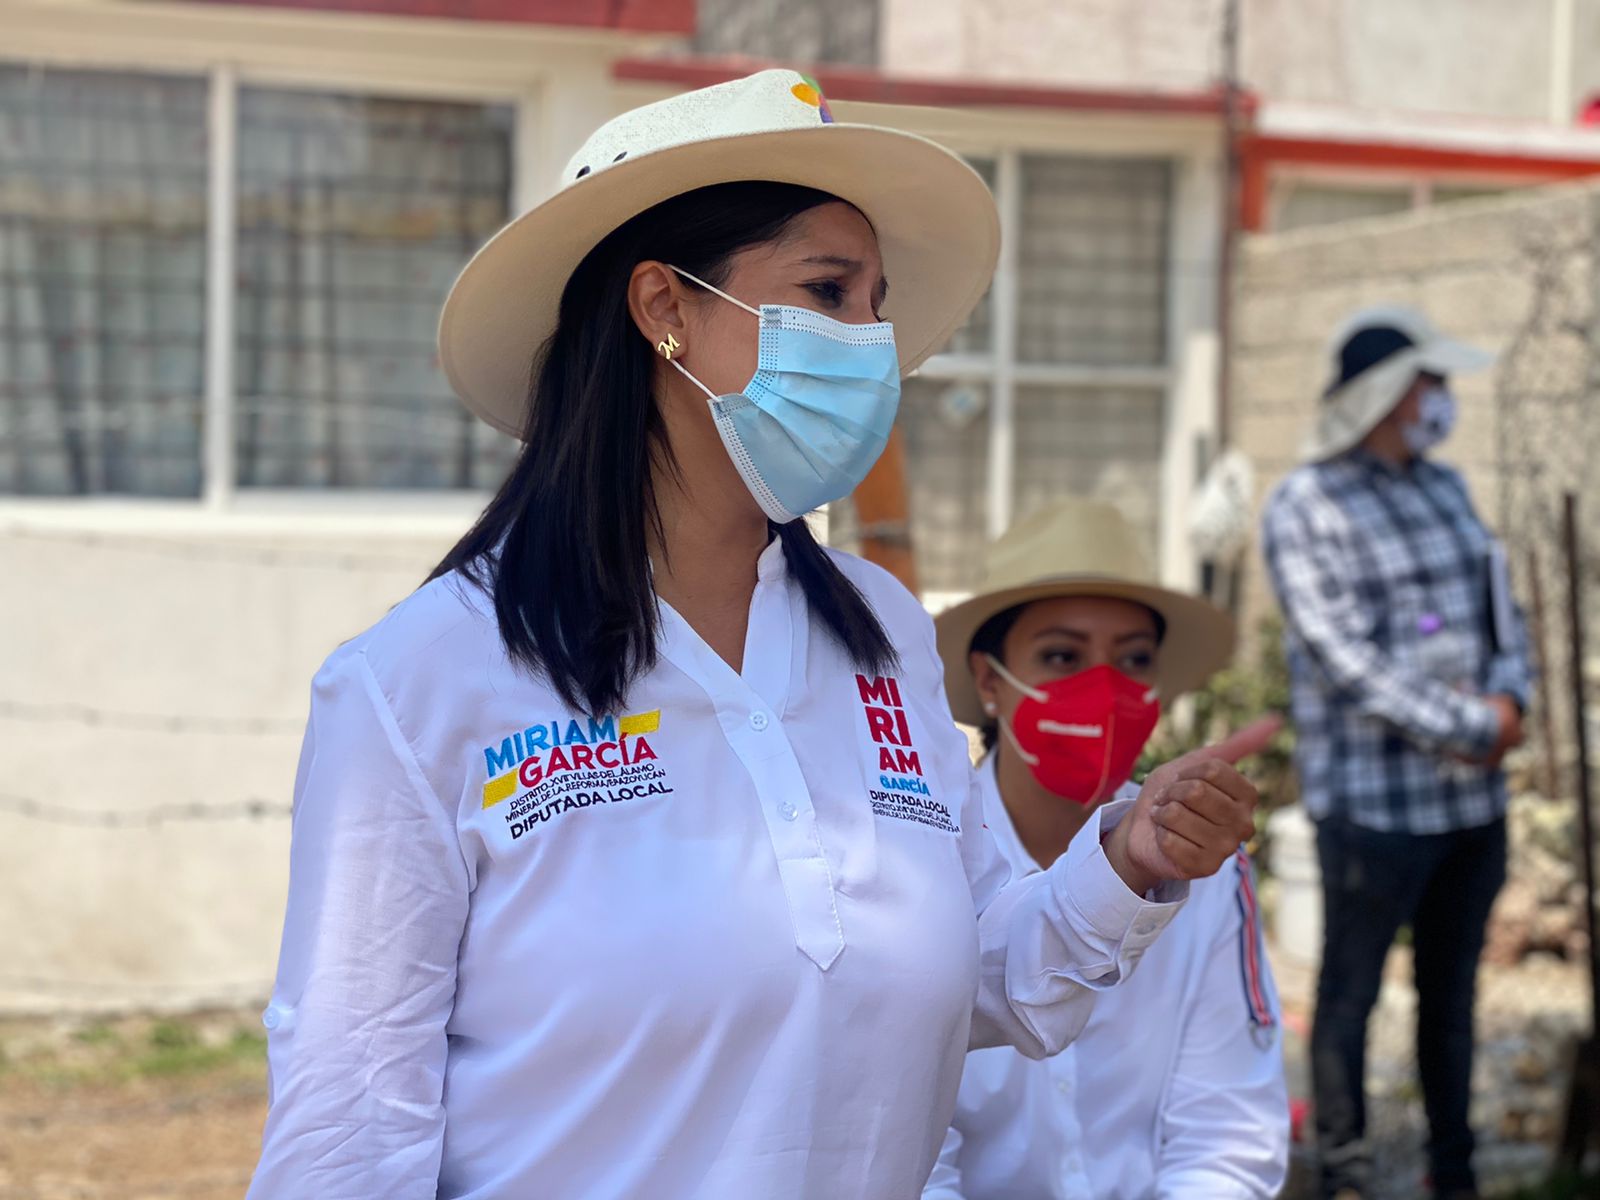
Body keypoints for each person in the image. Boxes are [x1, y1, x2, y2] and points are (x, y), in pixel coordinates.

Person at [245, 69, 1264, 1199]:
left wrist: (1128, 864)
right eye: (828, 291)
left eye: (875, 304)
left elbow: (964, 975)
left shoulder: (881, 635)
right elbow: (347, 1132)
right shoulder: (422, 681)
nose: (870, 343)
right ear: (664, 310)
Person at [923, 498, 1290, 1200]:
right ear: (990, 681)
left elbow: (1227, 1136)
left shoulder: (1202, 863)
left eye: (1133, 660)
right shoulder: (925, 860)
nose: (1103, 686)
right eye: (1062, 656)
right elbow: (902, 1151)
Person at [1261, 305, 1532, 1200]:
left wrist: (1514, 698)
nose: (1443, 400)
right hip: (1375, 811)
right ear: (1383, 395)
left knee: (1451, 1002)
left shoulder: (1446, 486)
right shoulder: (1308, 504)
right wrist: (1473, 727)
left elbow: (1501, 609)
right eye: (1431, 382)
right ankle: (1342, 1173)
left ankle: (1452, 1172)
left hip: (1470, 808)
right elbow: (1344, 657)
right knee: (1351, 996)